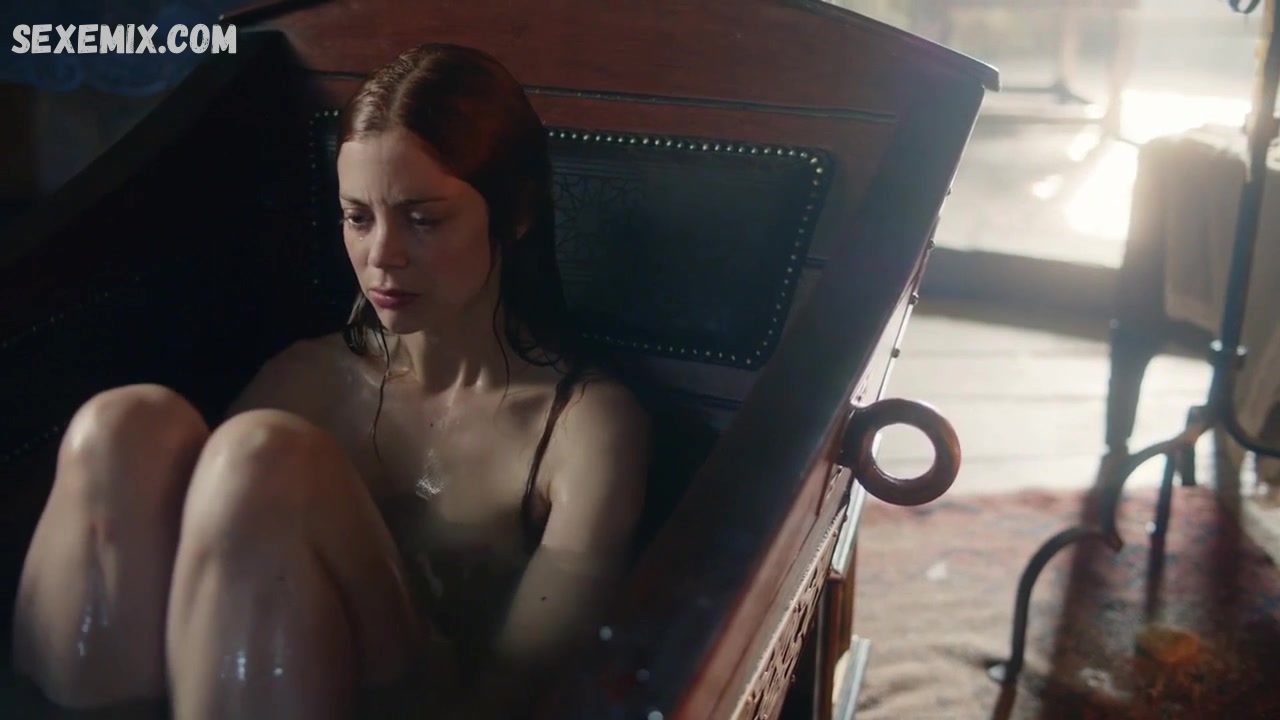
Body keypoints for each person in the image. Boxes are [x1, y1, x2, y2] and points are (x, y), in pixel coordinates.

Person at [10, 43, 651, 720]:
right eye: (358, 217)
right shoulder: (307, 380)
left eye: (423, 219)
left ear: (516, 214)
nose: (382, 256)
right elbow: (194, 599)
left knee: (266, 457)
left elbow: (528, 684)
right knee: (122, 428)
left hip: (441, 705)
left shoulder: (584, 426)